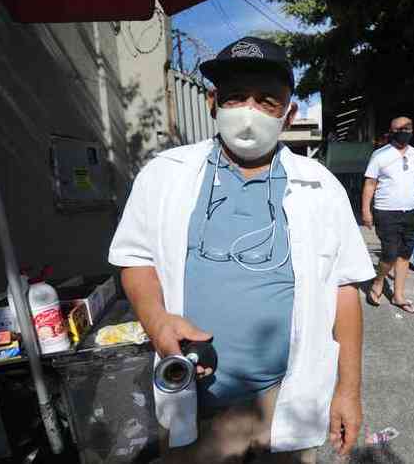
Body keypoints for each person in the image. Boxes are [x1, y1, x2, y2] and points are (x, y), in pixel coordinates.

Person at [108, 36, 375, 463]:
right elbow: (134, 259)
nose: (249, 112)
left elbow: (345, 289)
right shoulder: (164, 176)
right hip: (196, 399)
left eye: (267, 101)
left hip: (288, 396)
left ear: (288, 113)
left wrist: (348, 391)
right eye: (235, 97)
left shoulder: (320, 186)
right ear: (213, 102)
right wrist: (158, 324)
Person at [361, 117, 414, 314]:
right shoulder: (380, 155)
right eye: (400, 128)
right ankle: (378, 283)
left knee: (404, 254)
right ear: (391, 131)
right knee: (390, 253)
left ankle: (398, 295)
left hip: (411, 212)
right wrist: (366, 211)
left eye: (408, 128)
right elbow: (370, 183)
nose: (404, 131)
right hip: (386, 212)